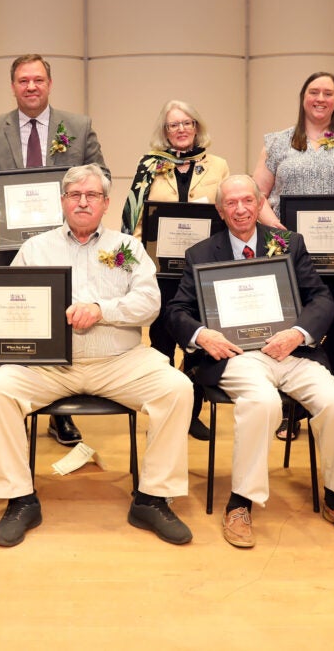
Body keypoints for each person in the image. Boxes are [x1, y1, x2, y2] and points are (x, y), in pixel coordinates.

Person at [0, 164, 194, 548]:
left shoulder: (126, 249)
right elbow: (7, 299)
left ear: (106, 203)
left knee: (176, 388)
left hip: (119, 361)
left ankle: (152, 498)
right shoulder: (35, 248)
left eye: (92, 195)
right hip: (50, 365)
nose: (82, 201)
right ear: (61, 201)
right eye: (74, 194)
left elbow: (150, 302)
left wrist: (101, 310)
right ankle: (19, 499)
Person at [166, 174, 334, 548]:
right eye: (231, 203)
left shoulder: (289, 244)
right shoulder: (201, 254)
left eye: (248, 200)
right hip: (238, 355)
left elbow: (322, 299)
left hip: (292, 350)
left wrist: (298, 334)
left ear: (260, 203)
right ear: (220, 210)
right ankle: (240, 502)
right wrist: (202, 334)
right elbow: (177, 310)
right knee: (262, 402)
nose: (241, 209)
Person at [0, 53, 110, 447]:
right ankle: (15, 405)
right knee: (16, 328)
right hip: (5, 250)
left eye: (38, 80)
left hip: (67, 247)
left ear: (49, 84)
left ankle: (61, 414)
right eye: (23, 80)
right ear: (13, 86)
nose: (31, 86)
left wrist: (81, 198)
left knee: (62, 326)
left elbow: (102, 175)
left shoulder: (78, 126)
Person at [251, 71, 334, 440]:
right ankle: (290, 411)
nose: (321, 98)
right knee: (292, 328)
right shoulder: (278, 143)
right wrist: (285, 237)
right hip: (289, 258)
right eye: (314, 91)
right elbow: (255, 195)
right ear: (303, 97)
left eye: (328, 92)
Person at [121, 99, 230, 440]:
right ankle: (163, 409)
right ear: (164, 132)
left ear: (197, 127)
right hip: (161, 273)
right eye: (173, 125)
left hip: (203, 271)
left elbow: (228, 212)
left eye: (187, 123)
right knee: (162, 342)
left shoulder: (218, 165)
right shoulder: (150, 165)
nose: (181, 129)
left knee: (197, 344)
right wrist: (137, 261)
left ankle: (191, 412)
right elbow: (135, 215)